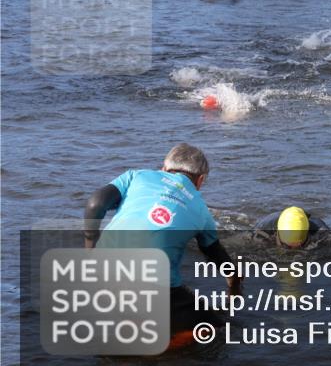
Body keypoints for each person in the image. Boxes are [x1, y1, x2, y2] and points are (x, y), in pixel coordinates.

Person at [83, 144, 242, 338]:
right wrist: (234, 289)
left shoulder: (136, 176)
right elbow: (219, 259)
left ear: (164, 168)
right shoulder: (202, 211)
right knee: (220, 327)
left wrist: (90, 250)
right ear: (200, 180)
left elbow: (95, 204)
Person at [253, 206, 328, 249]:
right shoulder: (262, 234)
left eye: (301, 246)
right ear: (278, 236)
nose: (293, 250)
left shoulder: (321, 233)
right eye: (287, 246)